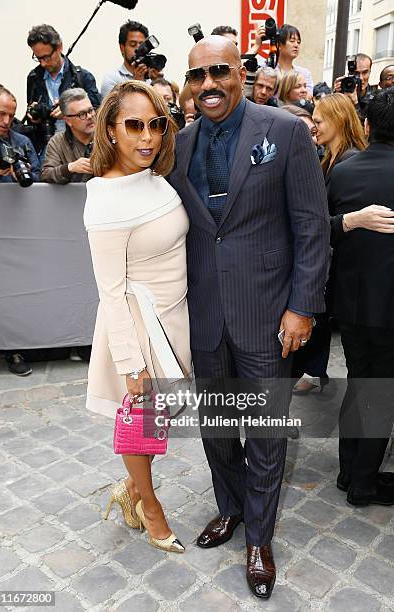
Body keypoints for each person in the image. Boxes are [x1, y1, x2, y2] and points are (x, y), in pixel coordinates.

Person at [168, 35, 330, 599]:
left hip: (268, 313)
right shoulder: (179, 144)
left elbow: (312, 225)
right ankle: (231, 507)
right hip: (206, 311)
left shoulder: (283, 130)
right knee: (216, 425)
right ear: (187, 84)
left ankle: (259, 538)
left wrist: (302, 306)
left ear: (240, 72)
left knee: (264, 432)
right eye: (197, 76)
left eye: (219, 71)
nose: (208, 84)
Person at [84, 81, 191, 552]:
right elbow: (108, 291)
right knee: (142, 425)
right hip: (141, 329)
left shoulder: (152, 175)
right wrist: (129, 364)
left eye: (155, 124)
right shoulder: (105, 200)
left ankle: (128, 491)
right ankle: (148, 506)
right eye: (133, 125)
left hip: (175, 318)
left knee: (159, 421)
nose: (146, 136)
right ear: (110, 129)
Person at [328, 87, 394, 506]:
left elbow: (323, 228)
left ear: (367, 126)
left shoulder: (343, 170)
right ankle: (363, 483)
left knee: (358, 381)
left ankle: (348, 469)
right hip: (389, 308)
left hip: (350, 304)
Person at [292, 93, 366, 395]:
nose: (314, 128)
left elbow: (341, 220)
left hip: (343, 268)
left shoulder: (349, 162)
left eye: (319, 122)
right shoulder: (329, 159)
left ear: (338, 120)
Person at [0, 83, 40, 377]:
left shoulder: (22, 140)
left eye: (11, 114)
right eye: (0, 113)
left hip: (23, 225)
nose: (6, 120)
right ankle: (10, 348)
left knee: (24, 286)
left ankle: (32, 341)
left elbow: (38, 173)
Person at [26, 24, 101, 157]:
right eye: (38, 58)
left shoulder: (82, 77)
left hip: (80, 146)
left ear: (59, 47)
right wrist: (34, 116)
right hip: (46, 145)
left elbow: (99, 113)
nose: (43, 63)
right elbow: (32, 117)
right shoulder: (34, 78)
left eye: (46, 57)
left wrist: (71, 112)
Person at [41, 89, 95, 184]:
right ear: (68, 121)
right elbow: (46, 174)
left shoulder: (107, 136)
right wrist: (70, 168)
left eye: (91, 110)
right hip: (71, 197)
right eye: (82, 114)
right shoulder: (57, 142)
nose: (90, 116)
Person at [101, 20, 163, 97]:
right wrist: (137, 84)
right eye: (133, 44)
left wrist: (158, 82)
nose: (138, 48)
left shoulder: (153, 74)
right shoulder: (112, 79)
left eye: (142, 45)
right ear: (122, 48)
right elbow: (116, 109)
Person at [254, 23, 314, 96]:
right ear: (279, 45)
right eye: (292, 41)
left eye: (298, 42)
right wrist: (256, 45)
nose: (296, 45)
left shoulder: (304, 74)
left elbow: (308, 98)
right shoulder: (264, 68)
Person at [334, 53, 373, 119]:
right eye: (356, 73)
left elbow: (365, 127)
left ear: (370, 72)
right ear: (349, 74)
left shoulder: (375, 99)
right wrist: (335, 96)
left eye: (365, 72)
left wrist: (355, 103)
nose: (361, 78)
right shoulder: (342, 93)